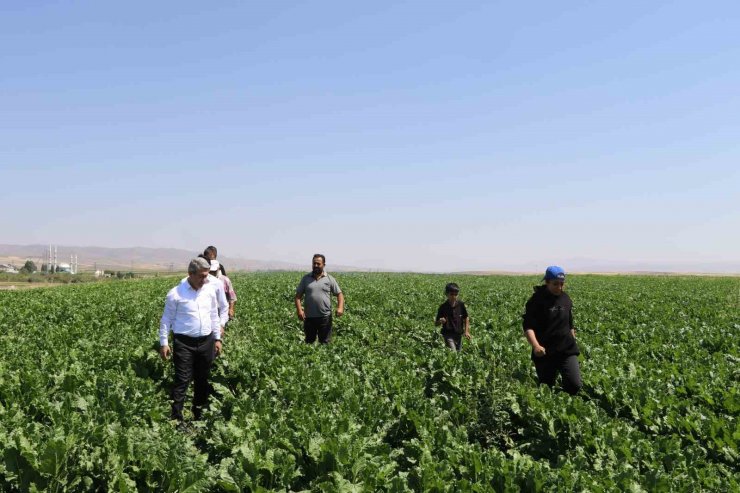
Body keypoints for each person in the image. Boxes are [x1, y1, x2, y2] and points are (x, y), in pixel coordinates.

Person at [159, 258, 223, 421]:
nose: (205, 279)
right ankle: (176, 418)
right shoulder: (176, 294)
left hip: (206, 341)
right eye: (202, 276)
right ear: (190, 274)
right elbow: (166, 319)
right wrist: (164, 343)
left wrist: (217, 339)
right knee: (182, 379)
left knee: (202, 379)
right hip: (184, 343)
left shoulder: (209, 291)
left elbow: (214, 316)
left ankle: (198, 413)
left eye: (207, 275)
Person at [522, 265, 582, 395]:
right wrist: (536, 346)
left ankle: (566, 406)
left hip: (567, 349)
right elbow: (528, 327)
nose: (559, 287)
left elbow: (569, 322)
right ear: (547, 282)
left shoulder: (565, 298)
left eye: (562, 284)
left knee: (575, 385)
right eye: (555, 284)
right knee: (546, 388)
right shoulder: (536, 301)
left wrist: (572, 337)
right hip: (545, 352)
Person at [294, 254, 344, 344]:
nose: (316, 265)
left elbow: (339, 294)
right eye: (314, 263)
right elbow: (298, 297)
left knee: (325, 343)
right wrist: (299, 310)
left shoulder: (329, 279)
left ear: (323, 265)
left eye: (318, 263)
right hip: (309, 317)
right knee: (309, 342)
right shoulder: (306, 279)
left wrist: (340, 308)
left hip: (325, 317)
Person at [435, 282, 471, 351]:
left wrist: (466, 331)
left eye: (456, 294)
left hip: (459, 334)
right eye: (451, 294)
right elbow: (436, 323)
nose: (454, 297)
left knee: (458, 353)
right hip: (448, 335)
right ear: (446, 294)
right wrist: (440, 321)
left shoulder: (461, 305)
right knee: (453, 354)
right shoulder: (443, 307)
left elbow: (466, 317)